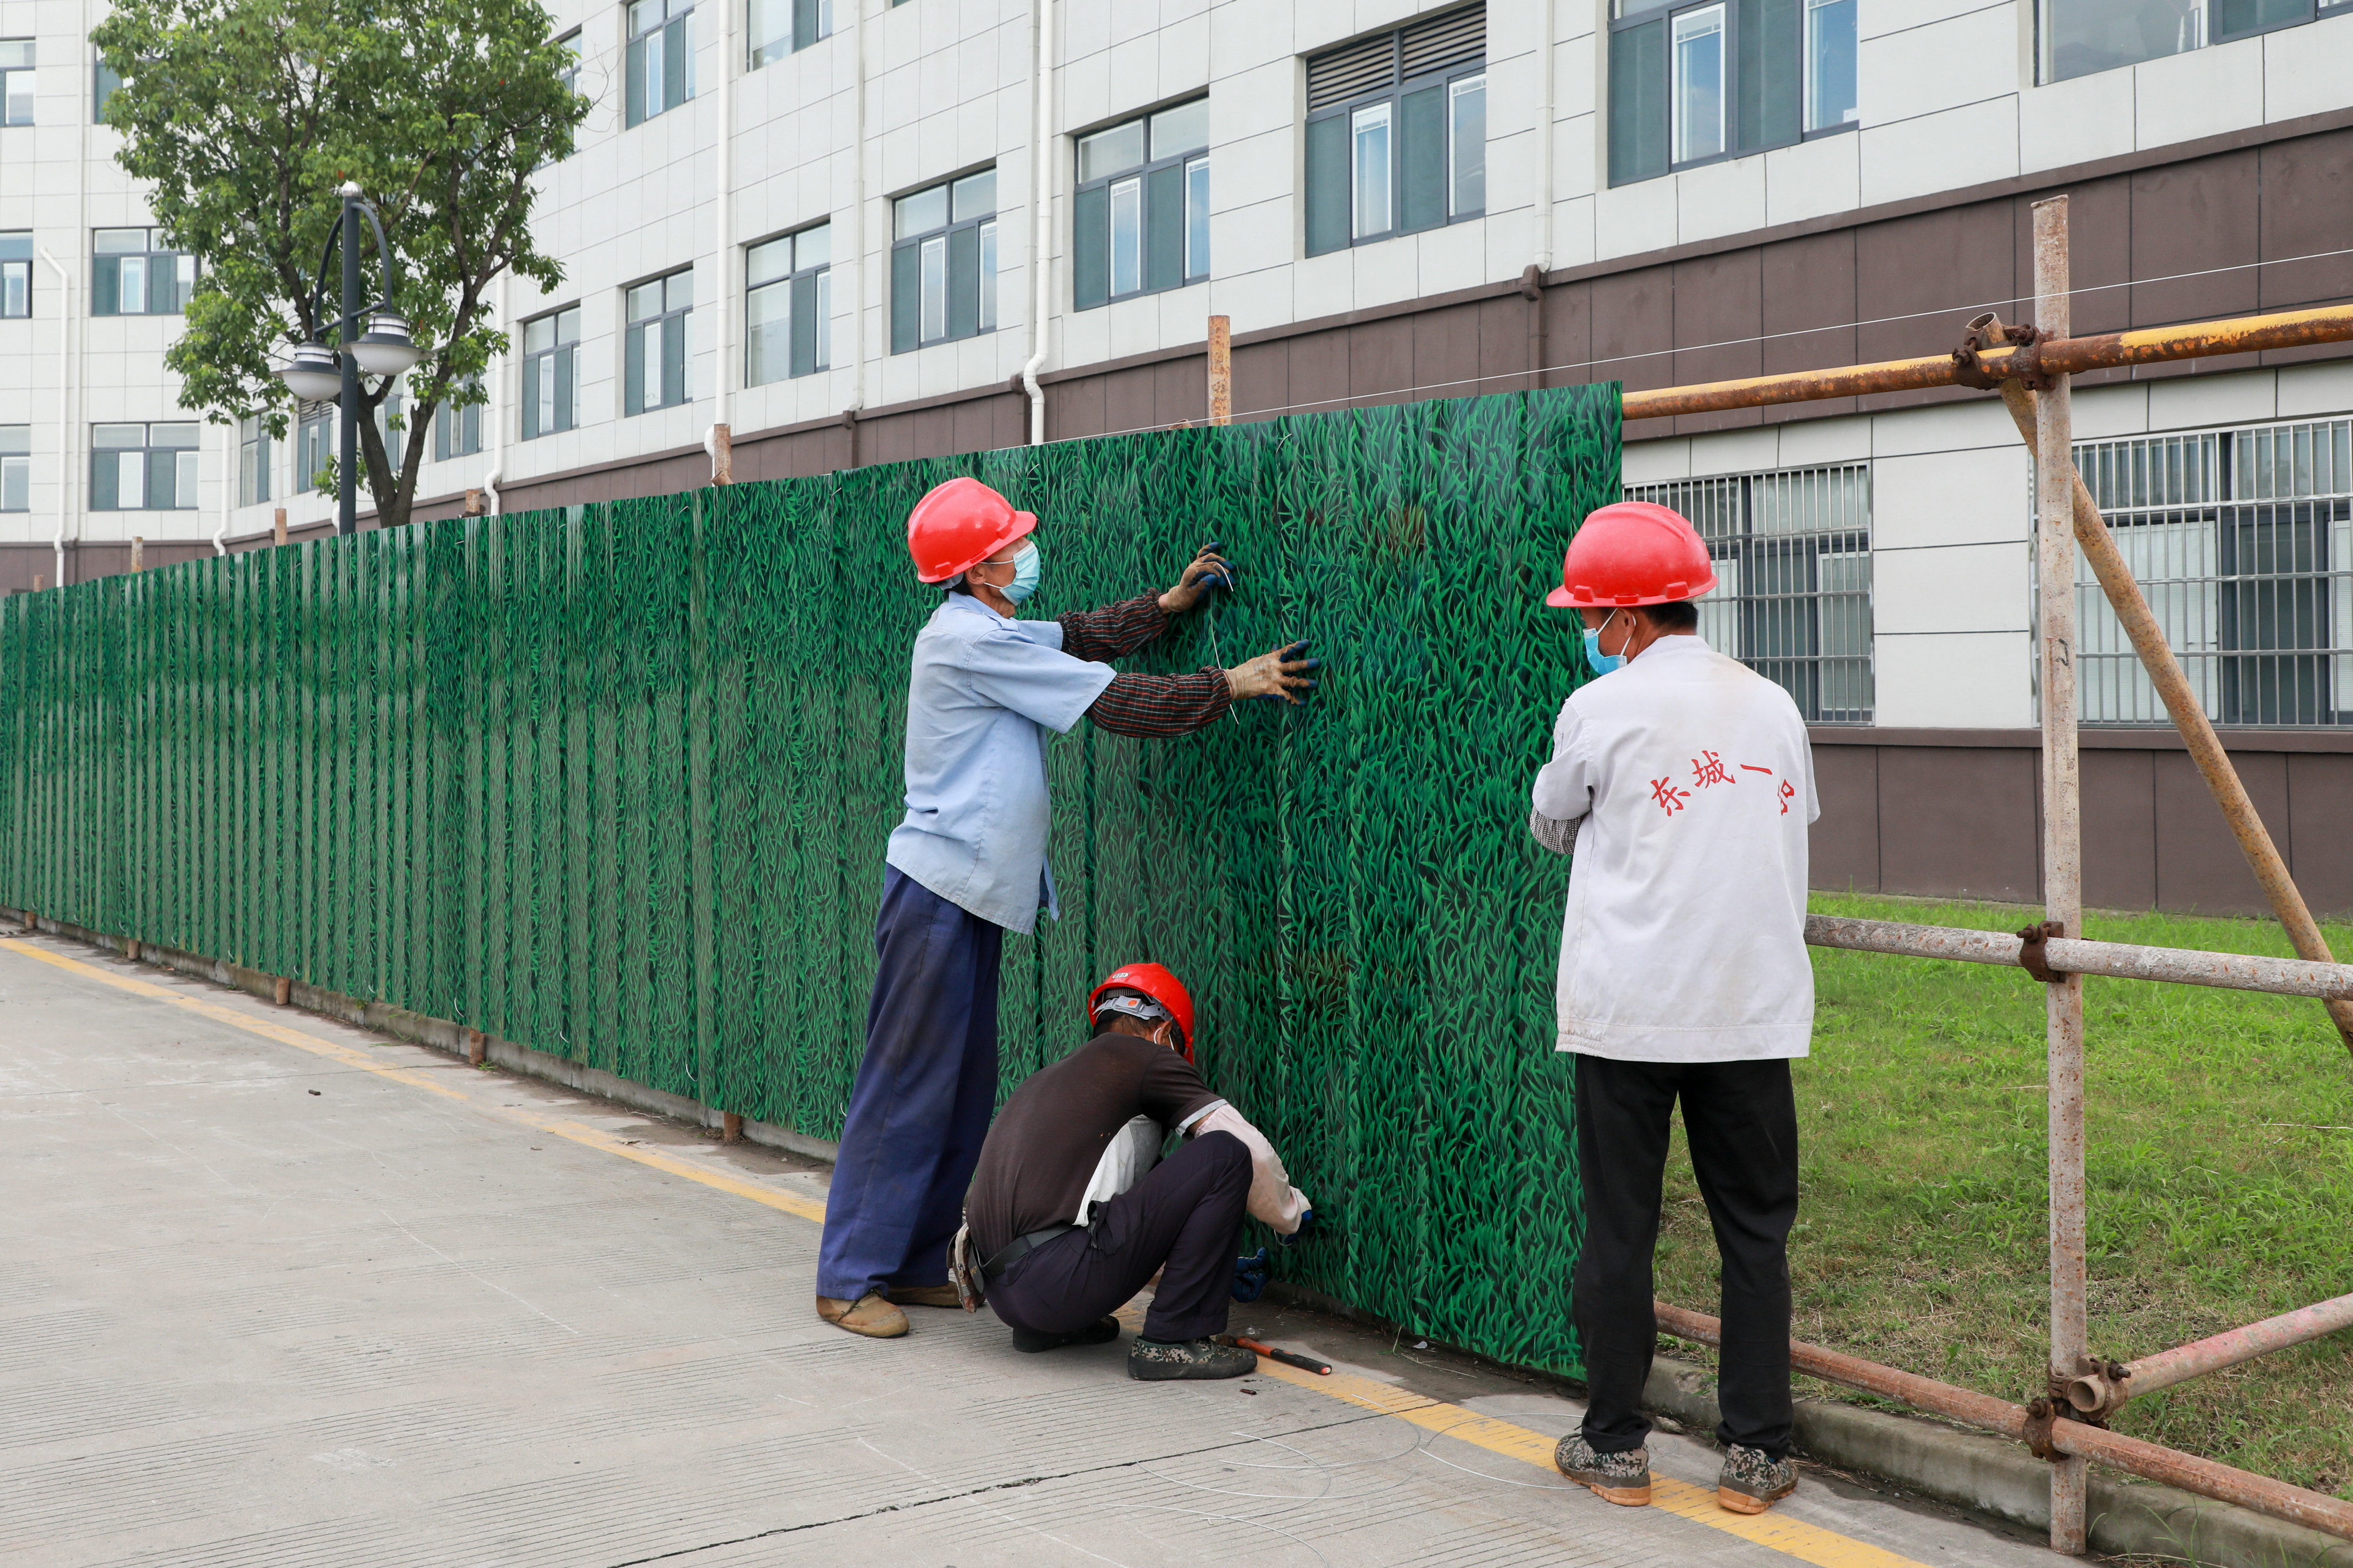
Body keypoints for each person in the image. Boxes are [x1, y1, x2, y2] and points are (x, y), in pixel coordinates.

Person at [815, 477, 1318, 1339]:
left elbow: (1083, 635)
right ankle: (848, 1274)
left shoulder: (992, 627)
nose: (1024, 553)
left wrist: (1166, 604)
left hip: (971, 896)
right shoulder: (965, 644)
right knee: (905, 1087)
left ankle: (913, 1258)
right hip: (937, 894)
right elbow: (1112, 699)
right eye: (1010, 545)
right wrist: (1227, 684)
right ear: (977, 572)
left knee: (960, 1087)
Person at [1527, 502, 1818, 1517]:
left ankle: (1613, 1447)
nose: (1588, 634)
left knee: (1622, 1229)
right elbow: (1790, 827)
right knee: (1754, 1233)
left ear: (1626, 621)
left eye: (1591, 616)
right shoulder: (1774, 705)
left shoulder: (1597, 710)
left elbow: (1550, 820)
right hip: (1749, 1011)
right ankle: (1758, 1453)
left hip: (1631, 1014)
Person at [952, 963, 1314, 1379]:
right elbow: (1247, 1149)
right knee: (1224, 1156)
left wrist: (1207, 1270)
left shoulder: (1053, 1080)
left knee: (1191, 1170)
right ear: (1162, 1034)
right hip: (1056, 1282)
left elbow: (1127, 1214)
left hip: (1010, 1301)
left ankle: (1053, 1330)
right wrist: (1290, 1215)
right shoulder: (1141, 1058)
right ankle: (1173, 1341)